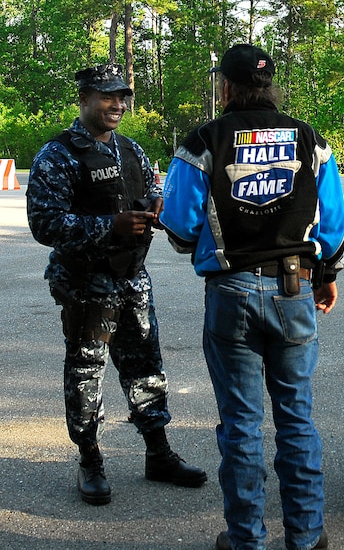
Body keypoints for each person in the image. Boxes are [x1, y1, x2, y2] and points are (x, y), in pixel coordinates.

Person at [159, 44, 344, 550]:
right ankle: (306, 537)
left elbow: (178, 224)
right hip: (294, 288)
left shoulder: (204, 141)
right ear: (269, 84)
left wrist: (197, 242)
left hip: (231, 291)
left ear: (225, 85)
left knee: (241, 424)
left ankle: (246, 540)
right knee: (296, 417)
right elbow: (333, 223)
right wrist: (324, 270)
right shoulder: (309, 139)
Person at [26, 63, 208, 506]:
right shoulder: (59, 154)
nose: (118, 105)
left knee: (147, 366)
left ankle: (158, 452)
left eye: (123, 96)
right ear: (84, 99)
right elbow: (43, 223)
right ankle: (90, 460)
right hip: (86, 284)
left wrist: (155, 208)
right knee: (87, 373)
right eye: (108, 96)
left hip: (132, 279)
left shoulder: (131, 150)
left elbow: (148, 192)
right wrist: (111, 226)